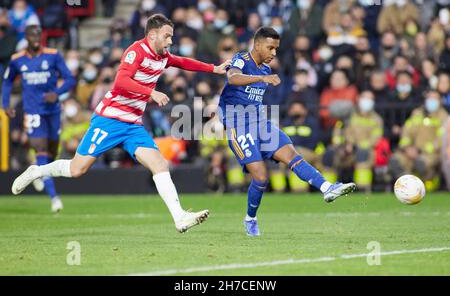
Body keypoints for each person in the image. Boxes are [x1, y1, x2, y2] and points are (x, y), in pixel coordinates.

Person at [11, 14, 231, 233]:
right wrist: (151, 93)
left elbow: (184, 62)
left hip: (132, 125)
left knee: (160, 164)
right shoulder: (136, 51)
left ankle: (179, 217)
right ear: (152, 34)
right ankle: (37, 171)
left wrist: (215, 69)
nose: (170, 41)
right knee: (77, 169)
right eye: (167, 36)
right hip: (110, 120)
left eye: (171, 37)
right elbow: (121, 82)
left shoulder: (163, 55)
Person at [218, 27, 356, 237]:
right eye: (270, 47)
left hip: (260, 124)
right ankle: (250, 219)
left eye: (276, 49)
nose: (274, 53)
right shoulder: (241, 59)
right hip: (239, 126)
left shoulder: (265, 69)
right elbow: (233, 79)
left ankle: (327, 188)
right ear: (257, 45)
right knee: (261, 177)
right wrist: (261, 80)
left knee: (291, 154)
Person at [2, 25, 76, 212]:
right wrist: (5, 104)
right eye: (32, 35)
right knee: (40, 149)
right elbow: (8, 81)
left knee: (51, 154)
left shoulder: (53, 55)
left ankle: (37, 172)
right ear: (26, 37)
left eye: (38, 34)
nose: (36, 37)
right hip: (33, 110)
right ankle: (54, 198)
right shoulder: (17, 60)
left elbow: (70, 79)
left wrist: (57, 93)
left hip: (53, 110)